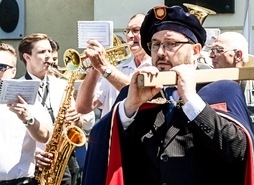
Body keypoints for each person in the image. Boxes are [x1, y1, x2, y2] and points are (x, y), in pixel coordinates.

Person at [94, 5, 254, 184]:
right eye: (155, 44)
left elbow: (238, 151)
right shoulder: (136, 94)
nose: (160, 53)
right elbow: (107, 152)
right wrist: (129, 108)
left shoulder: (222, 89)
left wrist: (191, 100)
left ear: (196, 50)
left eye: (171, 44)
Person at [18, 33, 90, 185]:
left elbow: (78, 126)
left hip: (67, 162)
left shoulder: (62, 85)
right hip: (38, 166)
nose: (49, 57)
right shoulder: (17, 88)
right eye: (42, 52)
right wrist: (31, 156)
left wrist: (77, 118)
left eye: (49, 52)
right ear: (27, 57)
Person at [76, 13, 152, 117]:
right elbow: (82, 107)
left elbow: (138, 93)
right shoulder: (117, 69)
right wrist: (94, 67)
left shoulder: (157, 68)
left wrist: (104, 66)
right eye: (127, 31)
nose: (129, 36)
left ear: (149, 33)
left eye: (135, 30)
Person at [0, 42, 53, 185]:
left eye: (1, 67)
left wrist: (27, 119)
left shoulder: (27, 97)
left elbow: (45, 135)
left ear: (13, 71)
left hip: (18, 182)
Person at [209, 31, 254, 153]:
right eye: (211, 50)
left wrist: (251, 152)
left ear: (238, 55)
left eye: (218, 50)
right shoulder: (208, 88)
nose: (211, 55)